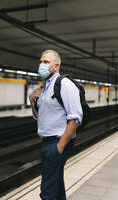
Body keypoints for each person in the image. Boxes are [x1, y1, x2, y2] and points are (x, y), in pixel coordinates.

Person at [29, 50, 83, 200]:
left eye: (46, 62)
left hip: (57, 142)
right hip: (47, 142)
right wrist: (32, 102)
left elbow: (75, 118)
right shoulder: (44, 87)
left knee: (47, 191)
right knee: (57, 185)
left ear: (56, 65)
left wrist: (60, 145)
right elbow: (40, 116)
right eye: (41, 61)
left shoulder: (64, 84)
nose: (41, 65)